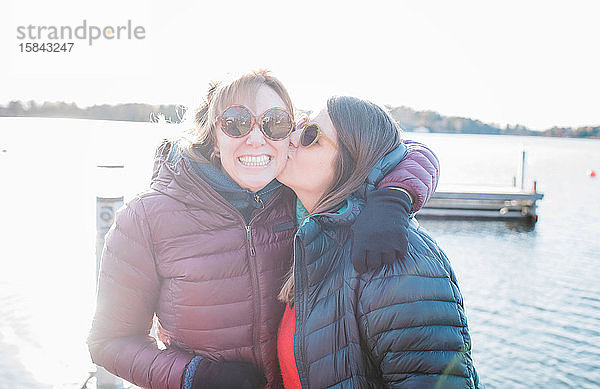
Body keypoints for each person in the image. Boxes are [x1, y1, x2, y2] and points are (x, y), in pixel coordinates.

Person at [87, 71, 439, 389]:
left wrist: (394, 196)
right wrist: (193, 376)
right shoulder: (147, 217)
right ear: (212, 137)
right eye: (237, 123)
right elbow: (108, 341)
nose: (257, 139)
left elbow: (402, 149)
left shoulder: (297, 193)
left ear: (290, 135)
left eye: (273, 123)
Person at [276, 96, 482, 388]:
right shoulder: (309, 235)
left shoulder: (395, 257)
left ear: (352, 164)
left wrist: (396, 195)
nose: (292, 138)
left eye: (311, 135)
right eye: (299, 124)